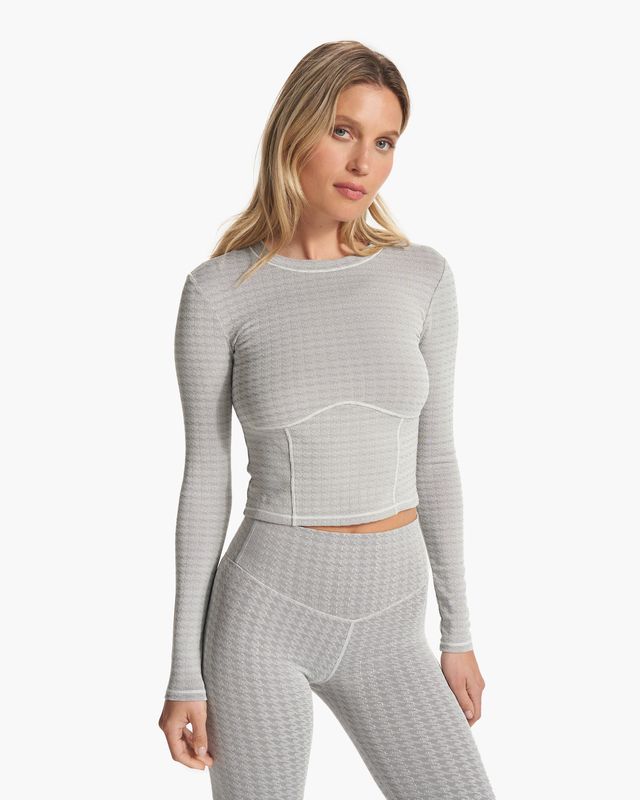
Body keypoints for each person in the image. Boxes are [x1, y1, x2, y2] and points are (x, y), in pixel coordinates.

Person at [158, 40, 496, 800]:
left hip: (392, 625)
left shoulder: (421, 277)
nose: (362, 162)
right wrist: (184, 672)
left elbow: (436, 460)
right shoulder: (219, 292)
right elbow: (205, 479)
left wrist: (459, 632)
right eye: (343, 131)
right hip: (265, 619)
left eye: (385, 142)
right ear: (295, 129)